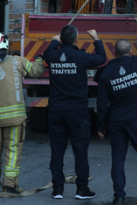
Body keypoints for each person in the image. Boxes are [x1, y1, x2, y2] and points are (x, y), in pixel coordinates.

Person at [96, 14, 137, 205]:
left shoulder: (105, 73)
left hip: (116, 122)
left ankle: (119, 197)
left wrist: (101, 127)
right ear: (131, 52)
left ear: (114, 53)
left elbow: (102, 104)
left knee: (118, 160)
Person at [0, 31, 45, 195]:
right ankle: (9, 185)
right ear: (4, 46)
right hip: (15, 120)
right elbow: (36, 71)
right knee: (12, 150)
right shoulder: (18, 62)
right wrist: (40, 59)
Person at [43, 25, 106, 200]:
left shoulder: (53, 56)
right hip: (77, 112)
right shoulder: (81, 56)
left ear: (61, 41)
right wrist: (97, 39)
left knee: (57, 151)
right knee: (80, 151)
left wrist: (53, 42)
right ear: (77, 40)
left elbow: (45, 55)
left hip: (56, 111)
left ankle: (57, 190)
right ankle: (82, 189)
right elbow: (102, 58)